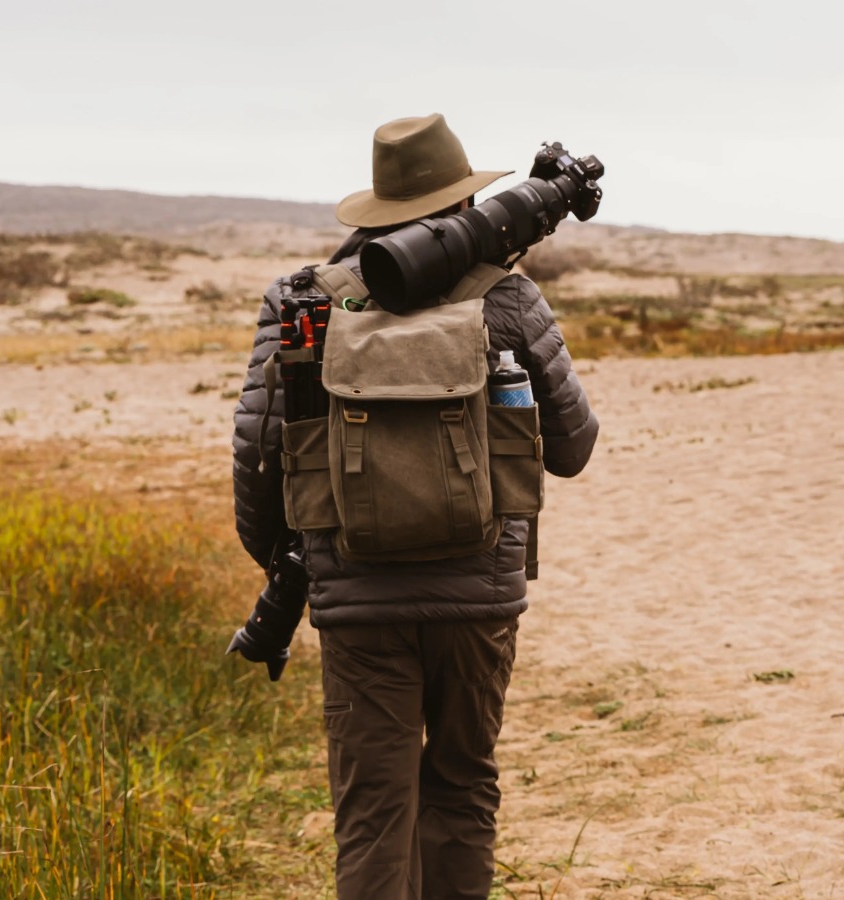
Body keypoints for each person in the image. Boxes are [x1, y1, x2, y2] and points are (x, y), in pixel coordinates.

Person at [230, 112, 599, 899]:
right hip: (479, 597)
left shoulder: (301, 301)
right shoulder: (508, 299)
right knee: (461, 786)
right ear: (466, 202)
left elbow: (259, 457)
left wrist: (287, 568)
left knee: (372, 811)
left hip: (357, 599)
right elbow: (572, 448)